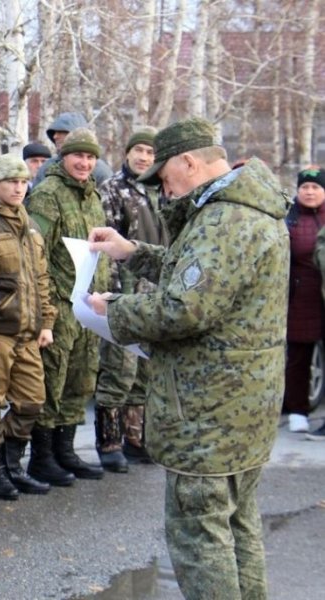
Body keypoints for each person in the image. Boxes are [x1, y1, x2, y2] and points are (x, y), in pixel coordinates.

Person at [87, 117, 289, 600]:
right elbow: (198, 275)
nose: (163, 186)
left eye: (164, 175)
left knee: (199, 532)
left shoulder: (224, 219)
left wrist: (115, 309)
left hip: (208, 407)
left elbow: (185, 307)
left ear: (189, 162)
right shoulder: (246, 208)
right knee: (237, 522)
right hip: (245, 401)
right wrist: (132, 252)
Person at [0, 155, 55, 499]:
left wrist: (46, 321)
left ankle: (13, 464)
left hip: (29, 332)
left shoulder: (30, 224)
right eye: (11, 182)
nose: (19, 188)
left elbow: (41, 278)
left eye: (23, 182)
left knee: (32, 401)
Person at [26, 128, 108, 486]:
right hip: (59, 303)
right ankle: (42, 457)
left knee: (81, 376)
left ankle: (67, 450)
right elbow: (34, 251)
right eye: (79, 156)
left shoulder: (93, 197)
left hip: (89, 304)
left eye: (91, 157)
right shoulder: (47, 194)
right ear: (64, 157)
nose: (85, 163)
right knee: (52, 378)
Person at [93, 126, 167, 472]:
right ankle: (110, 441)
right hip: (124, 291)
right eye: (139, 150)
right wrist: (108, 292)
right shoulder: (112, 189)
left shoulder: (162, 191)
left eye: (151, 153)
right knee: (119, 370)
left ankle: (136, 437)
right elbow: (105, 247)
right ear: (127, 153)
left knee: (145, 370)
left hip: (157, 295)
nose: (144, 157)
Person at [283, 167, 325, 434]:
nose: (309, 192)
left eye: (316, 187)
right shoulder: (289, 218)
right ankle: (298, 410)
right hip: (302, 295)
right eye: (305, 187)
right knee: (299, 355)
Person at [32, 112, 113, 187]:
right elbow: (31, 199)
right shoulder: (48, 166)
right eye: (54, 132)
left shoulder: (100, 171)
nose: (55, 136)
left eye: (60, 132)